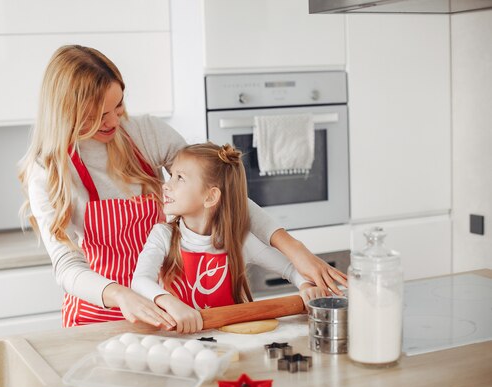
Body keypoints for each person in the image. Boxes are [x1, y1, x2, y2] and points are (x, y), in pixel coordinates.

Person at [18, 45, 346, 329]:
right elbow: (67, 266)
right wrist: (122, 295)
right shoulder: (47, 170)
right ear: (68, 114)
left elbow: (216, 188)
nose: (115, 122)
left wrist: (295, 251)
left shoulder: (143, 132)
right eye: (99, 115)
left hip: (171, 309)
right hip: (98, 315)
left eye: (118, 107)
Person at [130, 143, 326, 333]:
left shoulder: (238, 239)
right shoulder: (163, 235)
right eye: (170, 175)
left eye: (179, 178)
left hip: (234, 341)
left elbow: (290, 268)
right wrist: (169, 302)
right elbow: (140, 280)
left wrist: (306, 285)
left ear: (210, 197)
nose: (166, 185)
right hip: (181, 342)